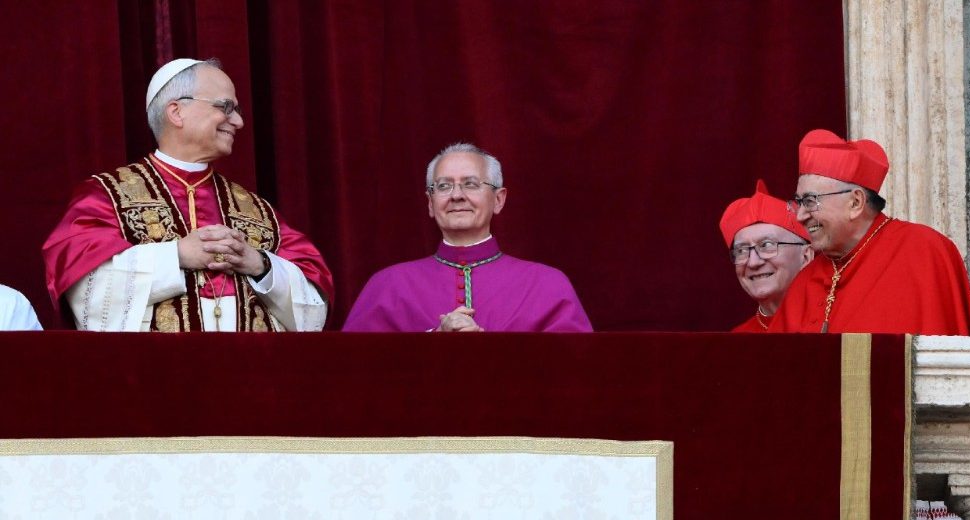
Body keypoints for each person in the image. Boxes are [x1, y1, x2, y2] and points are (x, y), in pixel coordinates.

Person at [43, 58, 332, 332]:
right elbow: (87, 294)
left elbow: (314, 309)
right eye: (226, 106)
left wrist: (259, 264)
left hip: (248, 376)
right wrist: (176, 255)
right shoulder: (106, 196)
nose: (238, 122)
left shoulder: (256, 210)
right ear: (176, 112)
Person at [343, 142, 592, 332]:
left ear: (498, 199)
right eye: (443, 186)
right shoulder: (388, 286)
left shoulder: (547, 285)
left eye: (471, 184)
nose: (457, 195)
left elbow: (576, 373)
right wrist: (431, 340)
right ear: (430, 203)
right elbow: (353, 371)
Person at [769, 129, 970, 335]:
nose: (800, 216)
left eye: (810, 201)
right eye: (798, 202)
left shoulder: (925, 251)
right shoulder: (803, 283)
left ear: (855, 202)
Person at [719, 180, 813, 332]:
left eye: (767, 245)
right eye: (741, 250)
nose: (753, 262)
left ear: (806, 256)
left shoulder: (834, 323)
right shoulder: (735, 342)